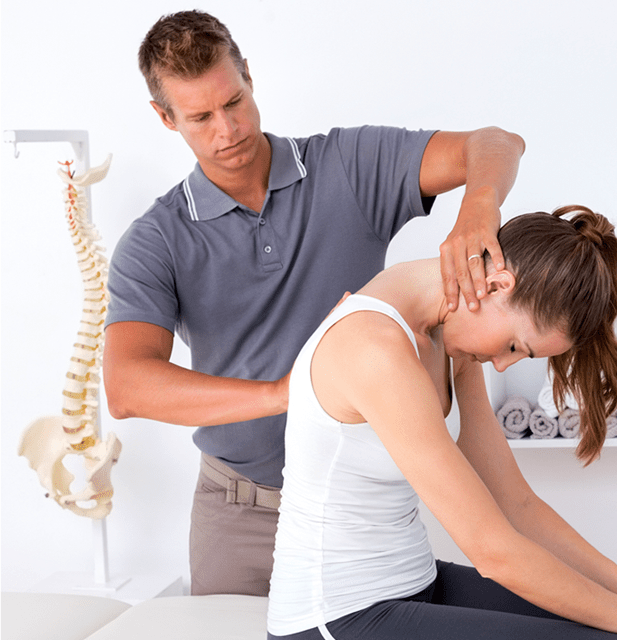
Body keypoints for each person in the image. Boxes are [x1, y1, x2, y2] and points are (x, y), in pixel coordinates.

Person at [102, 9, 525, 597]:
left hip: (362, 506)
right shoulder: (156, 240)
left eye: (234, 101)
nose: (227, 130)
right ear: (164, 117)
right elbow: (127, 387)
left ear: (248, 74)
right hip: (239, 514)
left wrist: (478, 209)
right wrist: (284, 392)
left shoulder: (347, 168)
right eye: (200, 117)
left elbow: (496, 144)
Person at [267, 206, 617, 640]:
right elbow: (494, 551)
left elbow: (516, 503)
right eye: (515, 345)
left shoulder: (449, 340)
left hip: (415, 584)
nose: (502, 365)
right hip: (336, 616)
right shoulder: (375, 348)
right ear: (499, 284)